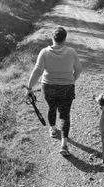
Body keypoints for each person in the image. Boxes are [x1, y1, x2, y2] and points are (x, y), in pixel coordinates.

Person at [26, 26, 82, 156]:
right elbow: (78, 69)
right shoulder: (71, 52)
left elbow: (38, 70)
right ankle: (64, 145)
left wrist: (29, 87)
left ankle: (52, 129)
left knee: (52, 108)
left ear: (52, 38)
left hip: (48, 86)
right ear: (65, 39)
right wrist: (72, 80)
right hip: (67, 87)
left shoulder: (44, 52)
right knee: (65, 114)